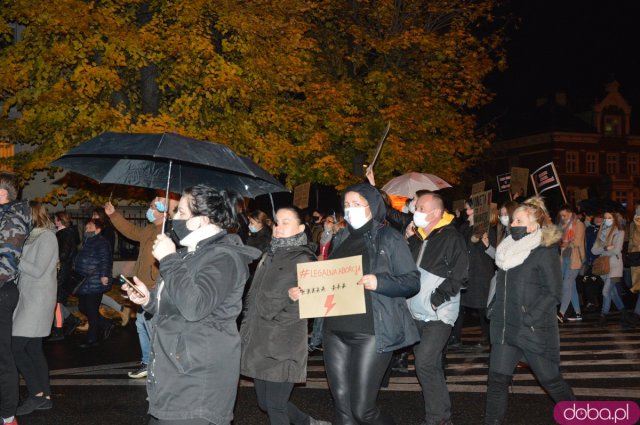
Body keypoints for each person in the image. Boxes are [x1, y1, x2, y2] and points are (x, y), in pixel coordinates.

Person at [122, 185, 261, 425]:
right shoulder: (191, 253)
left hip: (197, 381)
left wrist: (168, 258)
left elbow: (195, 307)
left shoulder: (223, 257)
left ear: (201, 221)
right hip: (174, 375)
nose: (174, 218)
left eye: (181, 213)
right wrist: (149, 300)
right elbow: (177, 302)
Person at [322, 183, 420, 425]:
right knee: (342, 408)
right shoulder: (341, 237)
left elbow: (412, 281)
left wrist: (380, 282)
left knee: (362, 410)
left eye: (357, 204)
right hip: (335, 329)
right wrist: (306, 290)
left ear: (373, 207)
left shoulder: (390, 237)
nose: (350, 209)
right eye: (346, 204)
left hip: (371, 331)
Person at [485, 197, 575, 425]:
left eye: (518, 220)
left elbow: (553, 293)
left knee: (551, 381)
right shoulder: (507, 249)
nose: (512, 224)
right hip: (505, 328)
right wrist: (494, 306)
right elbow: (503, 285)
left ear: (534, 225)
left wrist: (529, 317)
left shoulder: (544, 251)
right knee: (496, 381)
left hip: (531, 329)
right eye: (512, 220)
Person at [240, 207, 330, 425]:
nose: (279, 228)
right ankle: (308, 422)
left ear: (300, 228)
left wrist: (295, 297)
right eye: (277, 223)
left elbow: (318, 302)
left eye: (286, 222)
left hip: (284, 340)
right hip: (260, 338)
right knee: (264, 402)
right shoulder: (269, 254)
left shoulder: (304, 258)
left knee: (276, 406)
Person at [407, 193, 469, 425]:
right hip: (414, 312)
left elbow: (461, 275)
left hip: (438, 314)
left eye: (421, 207)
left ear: (434, 213)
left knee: (424, 363)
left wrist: (437, 298)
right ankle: (441, 417)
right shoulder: (416, 238)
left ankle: (438, 418)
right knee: (429, 366)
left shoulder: (452, 238)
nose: (416, 210)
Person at [105, 193, 179, 379]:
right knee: (141, 324)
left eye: (155, 206)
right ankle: (147, 362)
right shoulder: (149, 230)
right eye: (151, 205)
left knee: (153, 327)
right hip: (142, 286)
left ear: (164, 211)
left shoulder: (168, 231)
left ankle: (159, 365)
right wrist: (114, 215)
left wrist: (169, 208)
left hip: (154, 287)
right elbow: (130, 231)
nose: (150, 210)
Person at [12, 202, 58, 416]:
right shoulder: (33, 236)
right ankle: (45, 397)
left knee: (16, 346)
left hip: (38, 301)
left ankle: (36, 393)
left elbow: (38, 270)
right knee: (33, 349)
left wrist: (17, 258)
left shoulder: (47, 237)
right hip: (29, 298)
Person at [0, 172, 31, 425]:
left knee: (3, 357)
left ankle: (8, 415)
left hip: (2, 292)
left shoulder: (12, 218)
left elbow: (6, 263)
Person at [73, 218, 114, 348]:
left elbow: (105, 260)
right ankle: (106, 324)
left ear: (98, 229)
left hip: (95, 280)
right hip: (85, 281)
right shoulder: (88, 241)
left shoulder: (101, 242)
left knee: (91, 309)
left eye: (90, 227)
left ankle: (92, 339)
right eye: (86, 227)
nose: (86, 230)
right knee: (82, 308)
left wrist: (104, 275)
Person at [592, 211, 627, 326]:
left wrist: (603, 249)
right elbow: (593, 250)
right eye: (605, 218)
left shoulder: (620, 232)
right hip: (604, 267)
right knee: (612, 293)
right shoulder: (601, 232)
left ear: (614, 219)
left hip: (615, 266)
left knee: (605, 291)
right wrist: (606, 248)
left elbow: (617, 250)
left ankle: (603, 317)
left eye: (610, 217)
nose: (607, 219)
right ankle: (624, 313)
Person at [50, 211, 82, 340]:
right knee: (58, 301)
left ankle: (58, 330)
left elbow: (63, 255)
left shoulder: (64, 235)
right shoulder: (66, 234)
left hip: (61, 273)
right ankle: (72, 320)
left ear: (59, 220)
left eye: (55, 219)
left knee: (56, 301)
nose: (54, 221)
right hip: (63, 271)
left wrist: (51, 255)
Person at [557, 205, 585, 322]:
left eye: (565, 215)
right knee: (571, 285)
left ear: (570, 212)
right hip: (565, 258)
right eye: (561, 215)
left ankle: (561, 313)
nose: (563, 217)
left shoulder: (579, 224)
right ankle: (578, 313)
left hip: (575, 258)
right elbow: (558, 238)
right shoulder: (562, 225)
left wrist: (566, 243)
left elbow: (577, 241)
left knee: (566, 284)